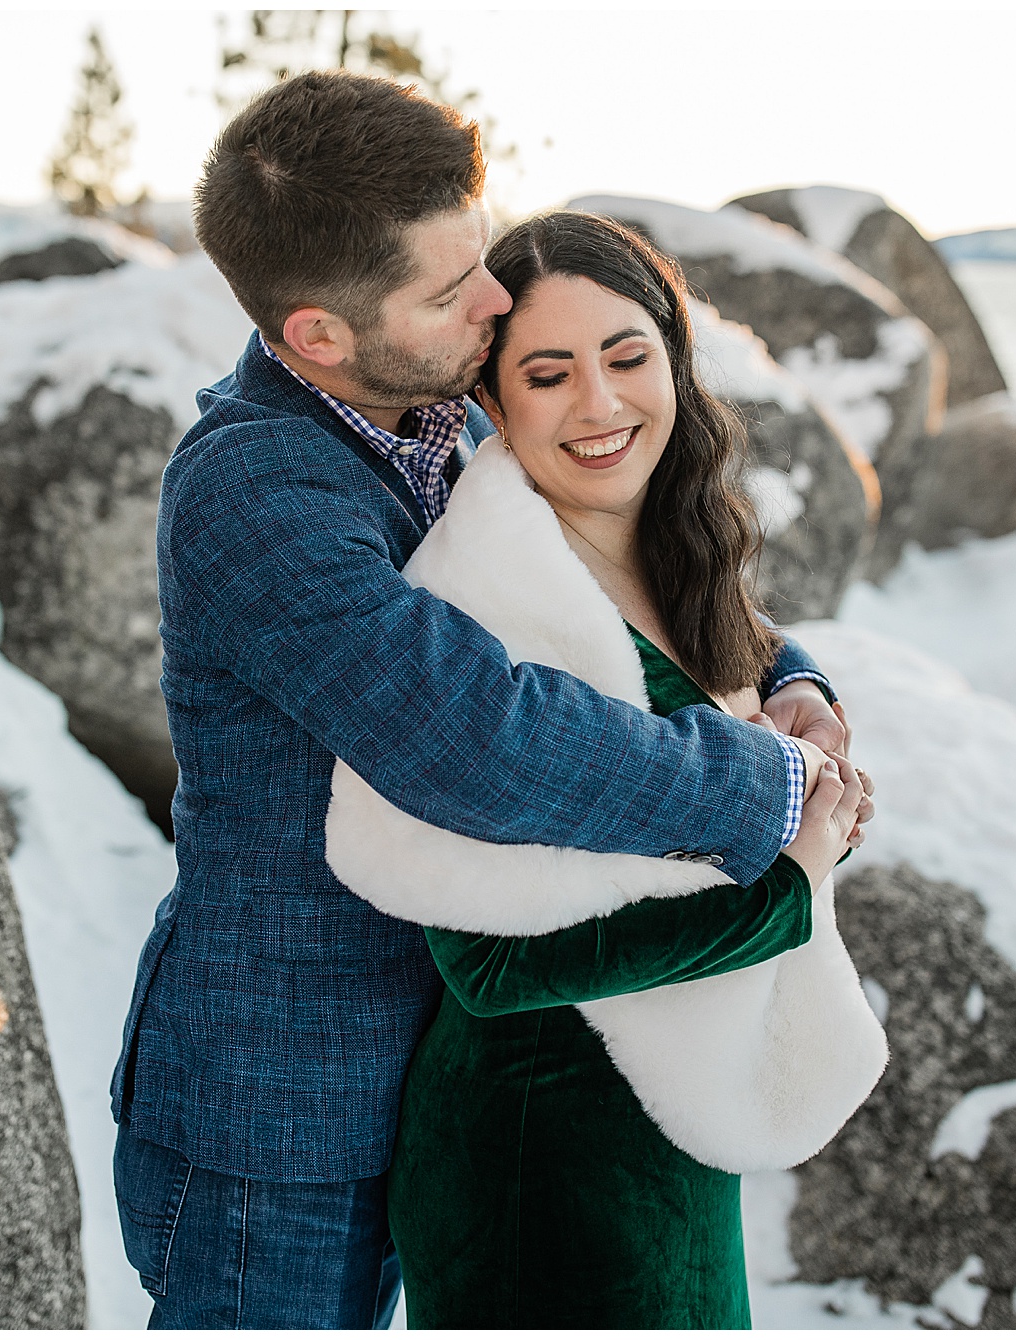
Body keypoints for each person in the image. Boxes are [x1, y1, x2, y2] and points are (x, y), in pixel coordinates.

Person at [108, 72, 866, 1329]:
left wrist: (790, 683)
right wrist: (760, 786)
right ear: (318, 336)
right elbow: (473, 731)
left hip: (435, 1068)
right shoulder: (256, 492)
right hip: (280, 1115)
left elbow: (612, 575)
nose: (497, 301)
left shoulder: (437, 412)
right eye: (453, 289)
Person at [370, 210, 877, 1329]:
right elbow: (488, 965)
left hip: (673, 1120)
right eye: (547, 374)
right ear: (491, 404)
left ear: (672, 363)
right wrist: (788, 881)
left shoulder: (670, 542)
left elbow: (723, 687)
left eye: (626, 357)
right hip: (538, 1147)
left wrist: (798, 693)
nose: (599, 406)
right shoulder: (481, 604)